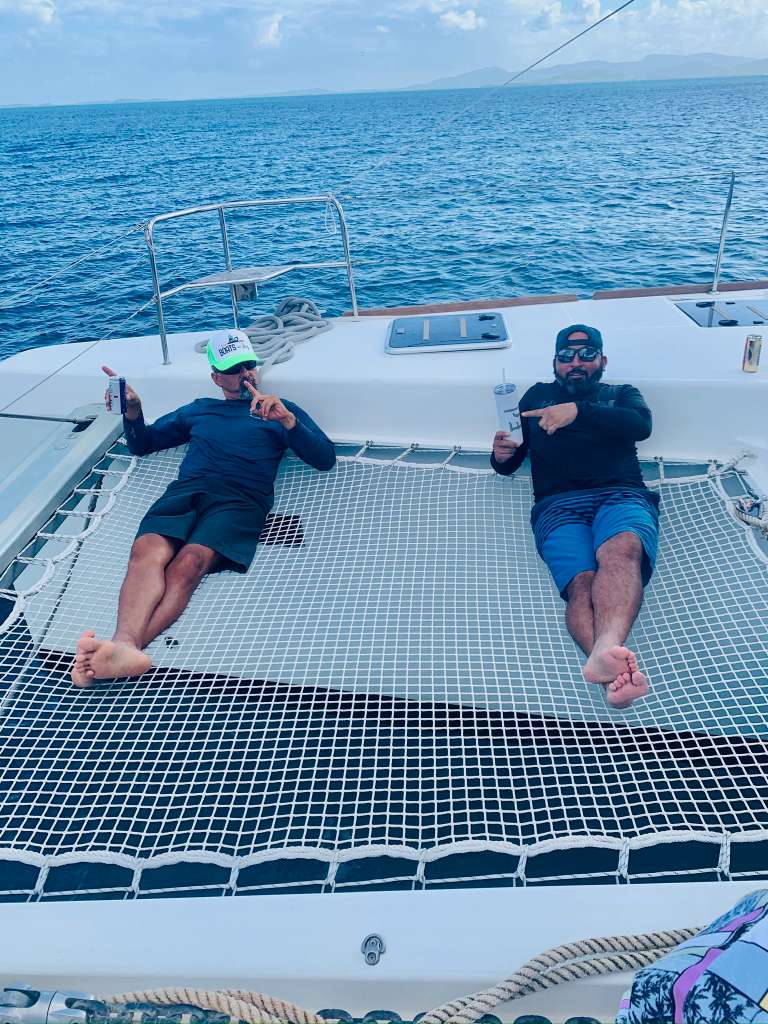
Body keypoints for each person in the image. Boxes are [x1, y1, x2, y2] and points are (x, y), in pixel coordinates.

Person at [71, 331, 336, 687]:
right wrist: (133, 412)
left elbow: (325, 460)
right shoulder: (199, 409)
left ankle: (121, 649)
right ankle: (121, 650)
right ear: (216, 377)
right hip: (188, 490)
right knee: (146, 550)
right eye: (233, 369)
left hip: (240, 499)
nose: (245, 374)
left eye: (248, 364)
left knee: (189, 563)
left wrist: (287, 421)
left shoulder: (279, 409)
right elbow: (143, 444)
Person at [491, 324, 659, 709]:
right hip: (557, 505)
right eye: (566, 357)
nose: (576, 363)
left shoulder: (620, 395)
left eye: (586, 355)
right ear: (555, 363)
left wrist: (578, 411)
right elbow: (517, 454)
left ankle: (605, 660)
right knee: (581, 583)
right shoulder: (536, 396)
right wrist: (501, 458)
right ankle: (610, 665)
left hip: (620, 494)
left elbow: (641, 426)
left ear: (602, 361)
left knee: (620, 551)